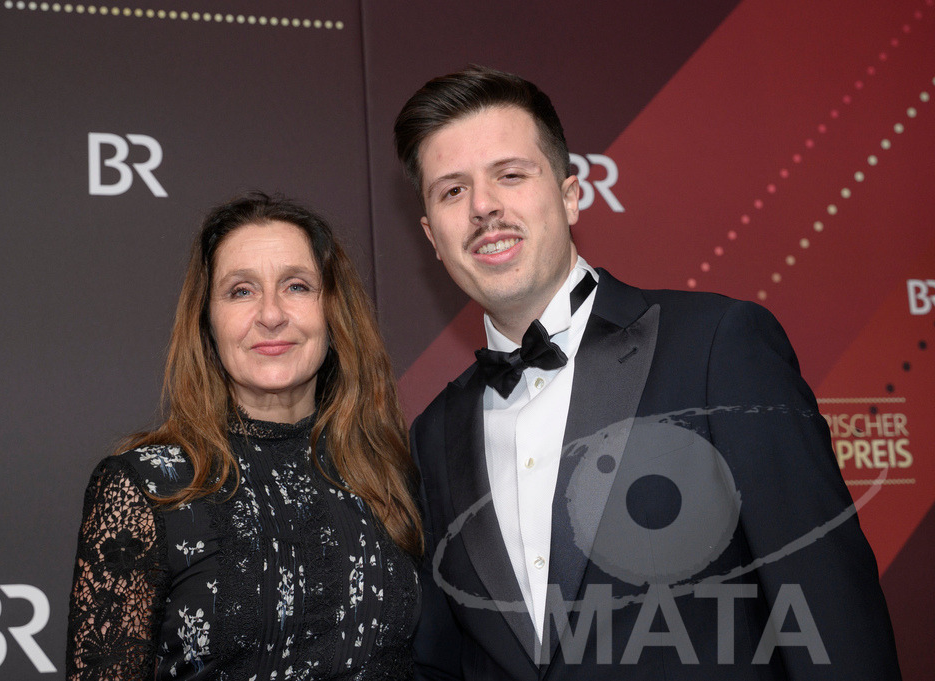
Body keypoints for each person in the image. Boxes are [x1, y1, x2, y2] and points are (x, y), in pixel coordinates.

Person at [395, 66, 901, 680]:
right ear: (432, 236)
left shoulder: (718, 347)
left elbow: (832, 612)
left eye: (510, 175)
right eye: (451, 191)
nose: (483, 207)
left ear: (570, 193)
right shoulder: (433, 434)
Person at [66, 192, 422, 680]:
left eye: (297, 286)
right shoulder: (148, 488)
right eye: (241, 291)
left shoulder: (390, 471)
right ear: (207, 322)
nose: (271, 315)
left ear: (334, 313)